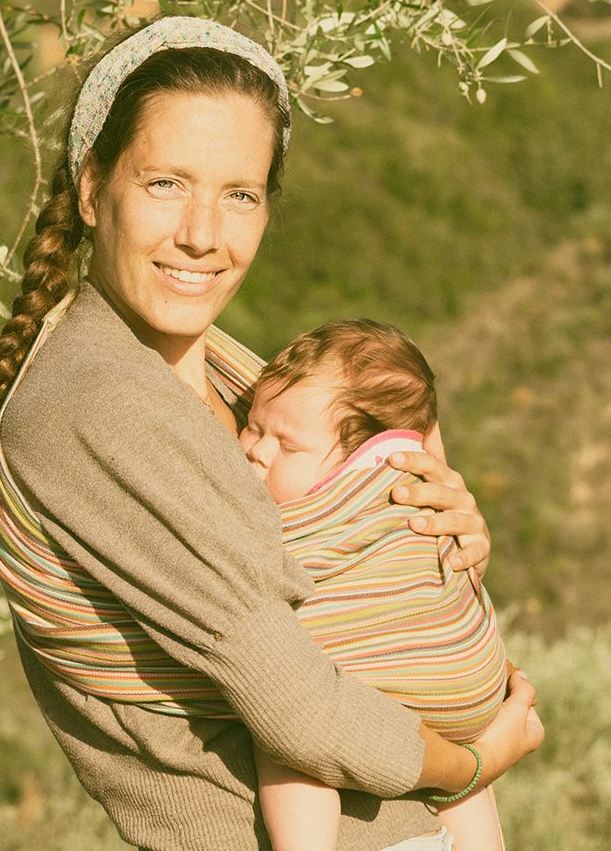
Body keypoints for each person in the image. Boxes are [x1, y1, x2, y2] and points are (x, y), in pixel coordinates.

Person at [0, 15, 544, 851]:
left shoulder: (245, 387)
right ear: (92, 189)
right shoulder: (98, 403)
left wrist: (437, 534)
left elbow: (353, 582)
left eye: (238, 194)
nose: (204, 233)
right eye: (166, 183)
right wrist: (471, 763)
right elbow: (301, 706)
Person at [241, 319, 511, 851]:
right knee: (465, 783)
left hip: (394, 673)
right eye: (252, 427)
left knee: (287, 728)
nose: (257, 451)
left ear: (362, 460)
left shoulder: (324, 508)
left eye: (286, 445)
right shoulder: (410, 484)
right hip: (476, 688)